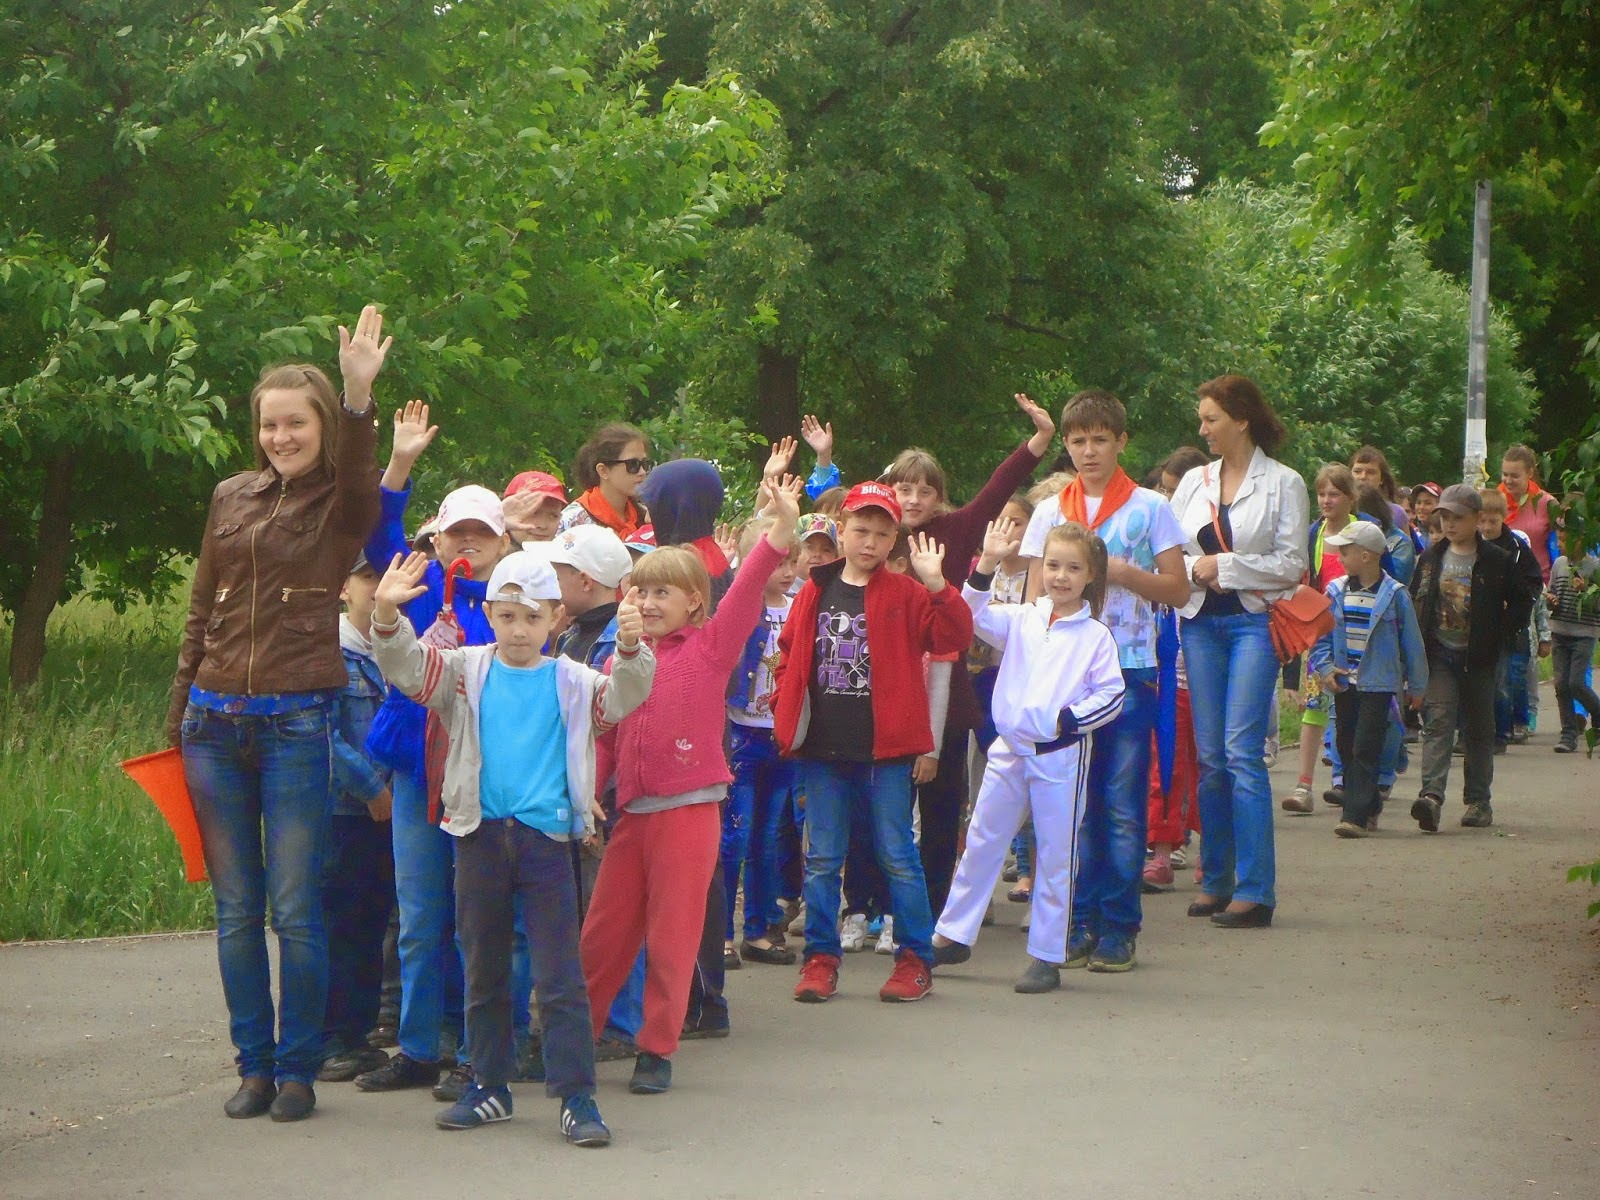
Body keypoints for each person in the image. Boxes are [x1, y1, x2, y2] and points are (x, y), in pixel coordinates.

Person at [167, 305, 387, 1121]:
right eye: (269, 424)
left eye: (295, 422)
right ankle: (251, 1066)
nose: (280, 436)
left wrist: (361, 395)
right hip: (213, 727)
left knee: (296, 908)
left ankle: (298, 1068)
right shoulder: (230, 497)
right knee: (236, 913)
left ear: (323, 425)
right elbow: (200, 615)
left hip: (298, 725)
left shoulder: (341, 504)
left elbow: (366, 489)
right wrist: (176, 721)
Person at [370, 549, 654, 1143]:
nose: (518, 629)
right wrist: (388, 617)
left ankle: (577, 1097)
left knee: (558, 976)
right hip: (477, 835)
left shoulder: (575, 681)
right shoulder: (464, 671)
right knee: (484, 967)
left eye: (531, 617)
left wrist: (630, 648)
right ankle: (490, 1086)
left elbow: (625, 696)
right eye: (506, 616)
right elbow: (407, 666)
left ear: (555, 618)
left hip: (548, 840)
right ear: (490, 616)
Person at [580, 477, 804, 1096]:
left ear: (694, 605)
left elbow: (748, 590)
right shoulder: (616, 659)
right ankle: (579, 1037)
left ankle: (656, 1048)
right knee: (603, 934)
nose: (648, 602)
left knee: (674, 935)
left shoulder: (710, 649)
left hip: (688, 813)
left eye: (663, 593)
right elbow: (601, 733)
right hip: (631, 814)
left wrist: (777, 533)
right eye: (640, 590)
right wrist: (587, 795)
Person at [359, 409, 523, 1101]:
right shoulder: (421, 589)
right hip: (416, 772)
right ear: (436, 534)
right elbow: (376, 537)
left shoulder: (519, 600)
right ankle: (421, 1046)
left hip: (485, 779)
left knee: (479, 924)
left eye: (481, 533)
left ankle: (477, 1048)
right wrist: (398, 465)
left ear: (503, 541)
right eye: (456, 530)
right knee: (421, 919)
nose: (467, 543)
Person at [773, 482, 975, 1003]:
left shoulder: (907, 594)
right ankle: (820, 958)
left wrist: (938, 587)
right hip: (821, 748)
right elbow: (791, 651)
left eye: (883, 533)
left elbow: (951, 639)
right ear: (841, 531)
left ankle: (914, 960)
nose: (870, 541)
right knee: (822, 858)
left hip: (886, 751)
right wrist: (784, 713)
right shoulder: (816, 588)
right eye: (861, 530)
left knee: (897, 854)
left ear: (895, 542)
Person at [1018, 390, 1189, 972]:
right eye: (1077, 440)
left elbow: (1180, 590)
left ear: (1121, 441)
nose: (1088, 451)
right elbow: (1032, 596)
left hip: (1129, 669)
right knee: (1073, 805)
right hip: (1063, 677)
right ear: (1065, 445)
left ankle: (1119, 925)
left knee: (1119, 804)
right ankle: (1078, 920)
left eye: (1099, 439)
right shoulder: (1050, 512)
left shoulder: (1149, 507)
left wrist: (1124, 574)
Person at [879, 393, 1057, 918]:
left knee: (941, 805)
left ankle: (933, 908)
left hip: (945, 688)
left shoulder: (955, 531)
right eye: (903, 489)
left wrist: (1039, 443)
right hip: (884, 688)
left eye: (924, 491)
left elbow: (996, 490)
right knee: (885, 810)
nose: (912, 499)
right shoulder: (870, 533)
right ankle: (876, 905)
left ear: (939, 498)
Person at [932, 519, 1126, 992]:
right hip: (1010, 749)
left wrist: (1067, 720)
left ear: (1090, 576)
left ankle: (1046, 953)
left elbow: (1111, 693)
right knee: (981, 841)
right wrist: (986, 563)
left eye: (1073, 568)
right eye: (1053, 565)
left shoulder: (1095, 636)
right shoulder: (1021, 617)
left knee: (1056, 853)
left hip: (1059, 755)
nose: (1061, 576)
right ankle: (954, 934)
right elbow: (967, 615)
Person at [1168, 375, 1309, 929]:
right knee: (1209, 756)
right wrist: (1190, 572)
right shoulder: (1195, 481)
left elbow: (1291, 563)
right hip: (1200, 624)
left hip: (1253, 624)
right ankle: (1217, 880)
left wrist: (1222, 567)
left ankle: (1256, 890)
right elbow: (1170, 548)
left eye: (1211, 419)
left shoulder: (1284, 483)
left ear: (1242, 419)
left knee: (1239, 752)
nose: (1202, 429)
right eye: (1201, 419)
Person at [317, 555, 398, 1085]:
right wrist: (371, 790)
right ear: (343, 588)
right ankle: (328, 1042)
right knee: (338, 925)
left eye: (382, 576)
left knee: (374, 922)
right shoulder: (328, 652)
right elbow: (320, 733)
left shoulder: (401, 646)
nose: (375, 587)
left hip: (396, 808)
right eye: (366, 576)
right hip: (344, 810)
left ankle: (360, 1034)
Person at [1408, 484, 1531, 832]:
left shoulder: (1497, 560)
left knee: (1479, 729)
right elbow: (1417, 599)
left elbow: (1523, 600)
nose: (1449, 524)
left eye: (1458, 518)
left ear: (1477, 519)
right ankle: (1430, 797)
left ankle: (1479, 801)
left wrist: (1503, 633)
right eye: (1444, 517)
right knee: (1439, 722)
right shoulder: (1431, 558)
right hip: (1440, 654)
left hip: (1479, 658)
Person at [1308, 522, 1428, 837]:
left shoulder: (1394, 596)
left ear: (1366, 555)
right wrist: (1326, 668)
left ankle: (1354, 817)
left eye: (1345, 552)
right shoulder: (1334, 592)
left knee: (1365, 747)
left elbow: (1412, 644)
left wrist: (1417, 687)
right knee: (1345, 745)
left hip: (1379, 683)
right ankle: (1370, 802)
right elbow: (1319, 638)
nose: (1340, 557)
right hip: (1344, 683)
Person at [724, 519, 801, 967]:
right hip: (741, 732)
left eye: (793, 560)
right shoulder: (741, 606)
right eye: (776, 560)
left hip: (781, 735)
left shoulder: (799, 607)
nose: (787, 569)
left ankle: (758, 928)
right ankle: (721, 933)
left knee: (768, 836)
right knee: (735, 834)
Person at [1280, 463, 1357, 815]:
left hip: (1358, 639)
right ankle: (1304, 785)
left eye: (1334, 494)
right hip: (1321, 639)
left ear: (1350, 498)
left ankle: (1349, 781)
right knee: (1315, 710)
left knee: (1354, 710)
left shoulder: (1363, 533)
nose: (1326, 500)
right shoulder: (1314, 535)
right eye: (1322, 494)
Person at [1477, 488, 1545, 749]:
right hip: (1478, 624)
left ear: (1503, 518)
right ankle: (1477, 730)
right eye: (1481, 521)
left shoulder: (1516, 548)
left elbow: (1533, 582)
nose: (1486, 527)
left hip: (1507, 626)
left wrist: (1515, 605)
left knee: (1502, 681)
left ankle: (1501, 733)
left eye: (1492, 521)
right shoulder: (1473, 545)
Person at [1547, 511, 1600, 753]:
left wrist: (1586, 590)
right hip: (1560, 631)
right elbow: (1553, 592)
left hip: (1583, 633)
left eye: (1564, 539)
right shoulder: (1559, 564)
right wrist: (1551, 600)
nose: (1559, 545)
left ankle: (1598, 716)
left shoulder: (1594, 566)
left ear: (1580, 539)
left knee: (1576, 682)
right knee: (1561, 684)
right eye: (1558, 539)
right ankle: (1568, 733)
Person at [557, 423, 651, 538]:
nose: (642, 472)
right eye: (633, 464)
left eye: (645, 464)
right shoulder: (571, 521)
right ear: (603, 471)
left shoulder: (646, 516)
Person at [1500, 445, 1559, 582]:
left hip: (1538, 582)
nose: (1508, 481)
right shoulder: (1494, 502)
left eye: (1515, 476)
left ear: (1530, 473)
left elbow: (1561, 542)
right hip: (1502, 582)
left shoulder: (1546, 503)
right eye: (1505, 474)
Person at [503, 471, 568, 545]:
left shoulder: (565, 555)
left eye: (553, 516)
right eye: (533, 513)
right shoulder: (489, 552)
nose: (542, 525)